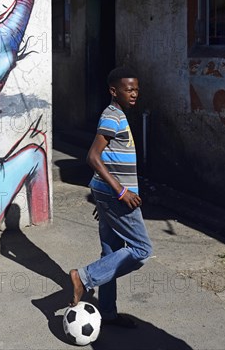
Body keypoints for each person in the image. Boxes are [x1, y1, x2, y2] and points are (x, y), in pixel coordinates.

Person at [69, 66, 153, 328]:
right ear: (113, 91)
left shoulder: (118, 115)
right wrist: (120, 192)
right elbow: (93, 157)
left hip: (107, 196)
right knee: (141, 250)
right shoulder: (112, 117)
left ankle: (107, 312)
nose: (134, 94)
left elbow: (111, 160)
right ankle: (83, 277)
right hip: (116, 196)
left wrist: (104, 200)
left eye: (136, 89)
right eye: (129, 89)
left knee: (111, 251)